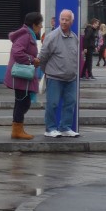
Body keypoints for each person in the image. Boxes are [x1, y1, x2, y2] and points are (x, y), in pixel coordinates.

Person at [38, 9, 80, 138]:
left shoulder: (75, 38)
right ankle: (50, 129)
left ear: (72, 21)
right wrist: (47, 72)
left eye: (67, 19)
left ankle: (65, 127)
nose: (64, 22)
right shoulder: (51, 37)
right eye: (62, 19)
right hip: (54, 77)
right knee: (53, 103)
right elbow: (42, 57)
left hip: (71, 78)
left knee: (70, 102)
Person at [5, 11, 43, 140]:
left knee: (22, 101)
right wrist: (33, 60)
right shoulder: (26, 35)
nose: (41, 27)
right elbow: (17, 52)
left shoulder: (28, 34)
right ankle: (17, 131)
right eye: (40, 24)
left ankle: (18, 129)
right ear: (34, 24)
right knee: (22, 102)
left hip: (23, 76)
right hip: (21, 76)